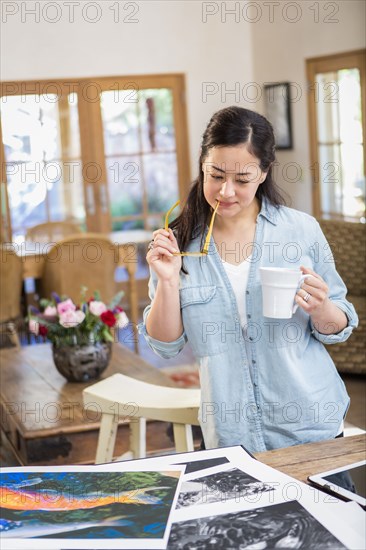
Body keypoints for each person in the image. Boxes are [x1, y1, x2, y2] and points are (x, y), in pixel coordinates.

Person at [138, 106, 358, 453]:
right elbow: (166, 345)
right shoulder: (179, 243)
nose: (226, 192)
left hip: (311, 426)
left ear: (264, 172)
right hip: (232, 435)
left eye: (242, 180)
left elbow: (339, 325)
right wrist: (166, 281)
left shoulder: (300, 230)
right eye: (216, 175)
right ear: (202, 164)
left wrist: (322, 308)